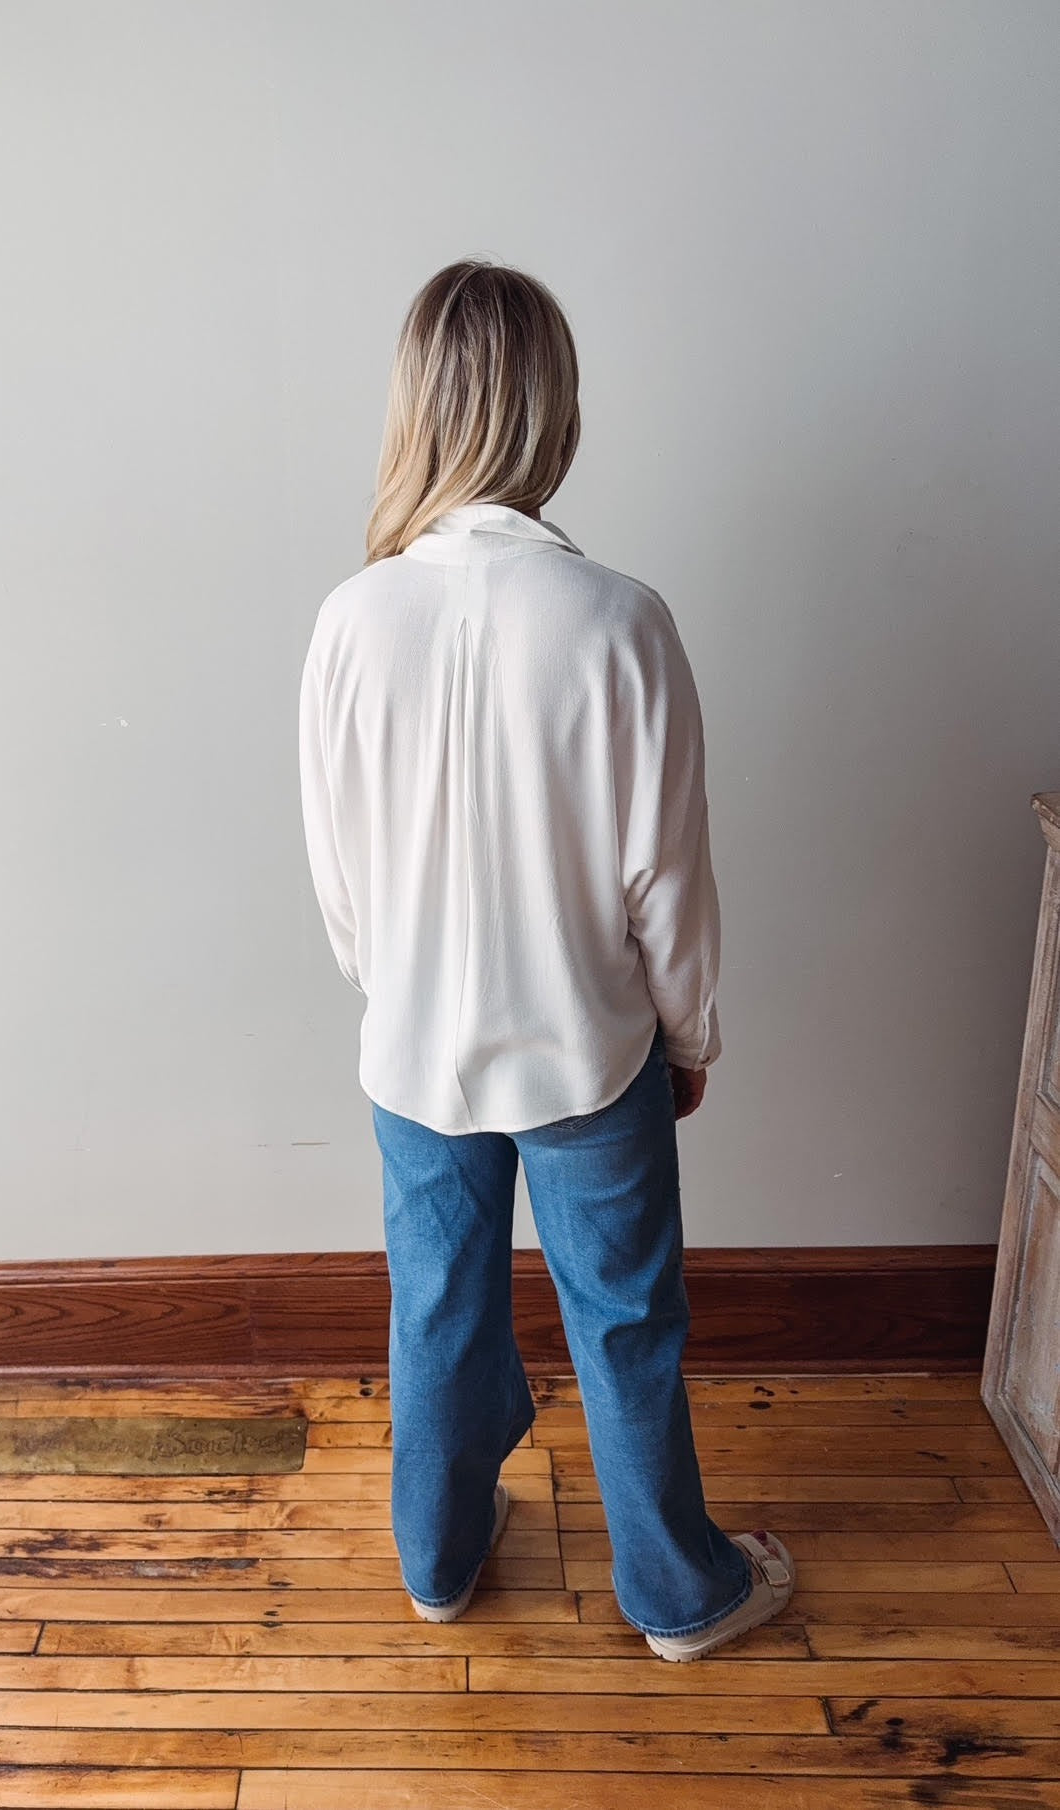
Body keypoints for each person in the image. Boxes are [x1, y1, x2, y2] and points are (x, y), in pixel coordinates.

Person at [298, 257, 795, 1661]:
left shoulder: (349, 621)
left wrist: (403, 989)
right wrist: (688, 1036)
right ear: (551, 411)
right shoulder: (620, 621)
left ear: (417, 409)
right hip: (589, 1045)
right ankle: (675, 1592)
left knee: (438, 1309)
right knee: (625, 1318)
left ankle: (439, 1558)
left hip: (414, 1050)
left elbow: (341, 880)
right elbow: (667, 878)